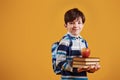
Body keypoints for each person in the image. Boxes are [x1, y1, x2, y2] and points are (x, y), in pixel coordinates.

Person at [56, 8, 100, 80]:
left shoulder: (84, 42)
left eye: (79, 22)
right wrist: (75, 69)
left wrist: (91, 69)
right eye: (71, 23)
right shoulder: (65, 42)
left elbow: (83, 63)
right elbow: (59, 62)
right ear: (65, 25)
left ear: (83, 25)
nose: (76, 26)